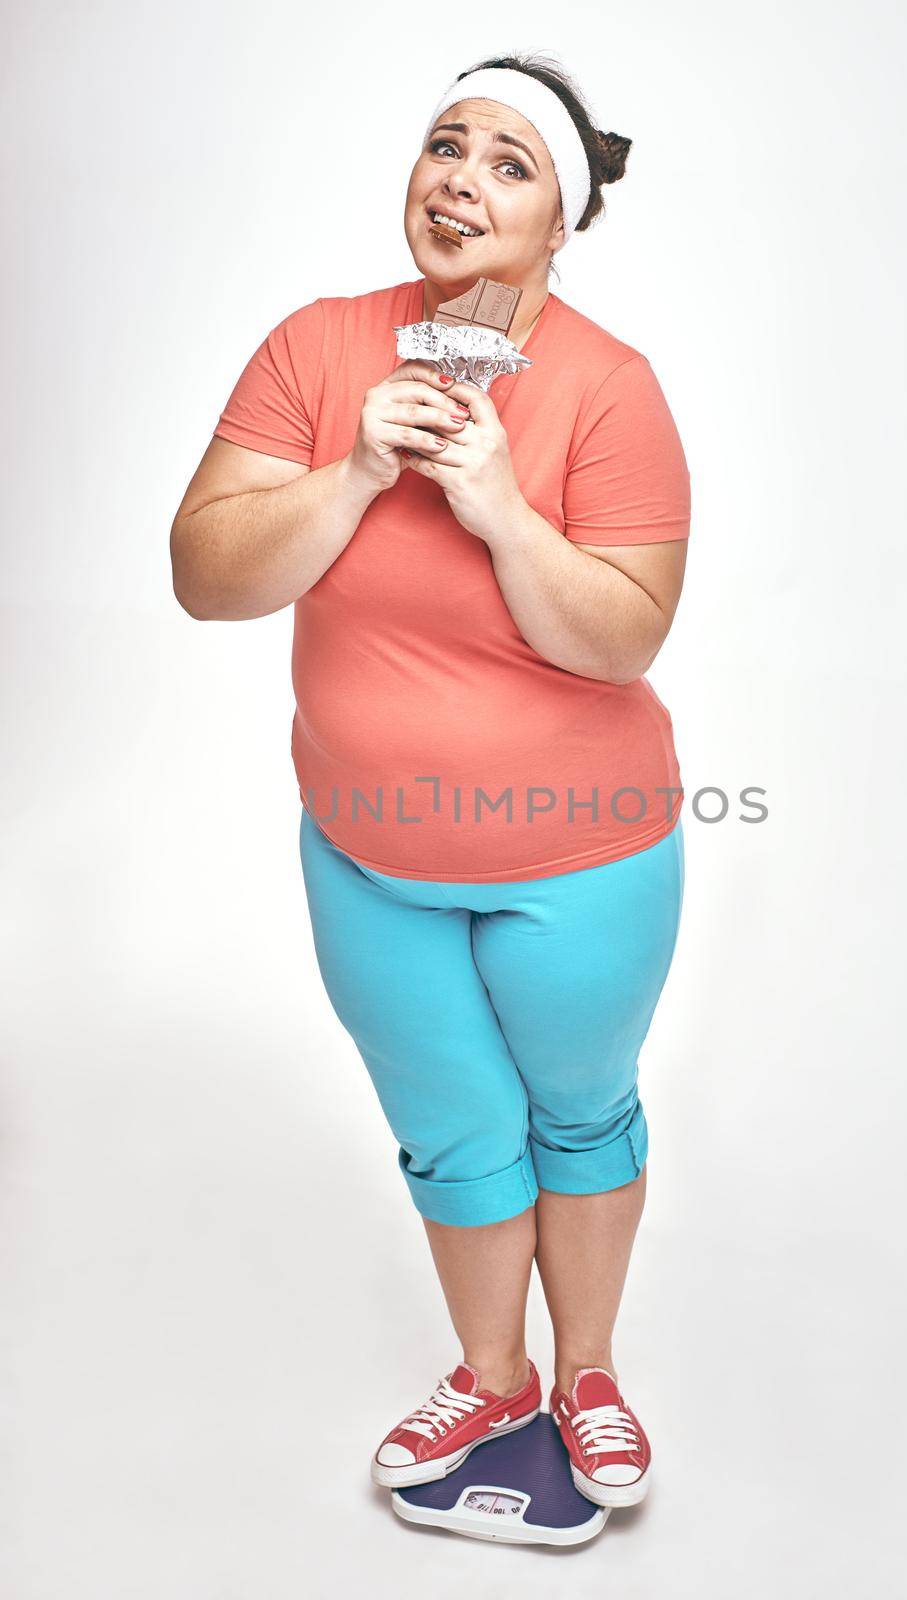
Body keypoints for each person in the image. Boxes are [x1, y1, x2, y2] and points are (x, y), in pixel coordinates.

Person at [170, 53, 690, 1510]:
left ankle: (586, 1374)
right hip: (368, 860)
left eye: (512, 163)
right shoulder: (321, 347)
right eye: (446, 143)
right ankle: (495, 1377)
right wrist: (345, 479)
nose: (462, 175)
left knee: (579, 1114)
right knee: (456, 1130)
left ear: (558, 224)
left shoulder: (610, 388)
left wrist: (505, 515)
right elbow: (206, 578)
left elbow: (627, 634)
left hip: (583, 860)